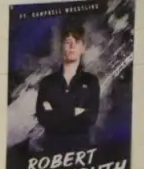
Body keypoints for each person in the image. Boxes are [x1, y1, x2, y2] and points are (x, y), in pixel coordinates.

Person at [34, 22, 100, 155]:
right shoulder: (47, 83)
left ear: (83, 48)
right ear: (62, 46)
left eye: (76, 41)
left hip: (81, 153)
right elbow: (43, 117)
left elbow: (91, 117)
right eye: (68, 41)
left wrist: (55, 110)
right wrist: (75, 111)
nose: (72, 46)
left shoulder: (91, 81)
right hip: (51, 153)